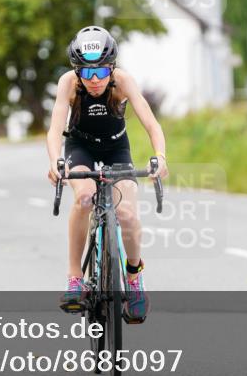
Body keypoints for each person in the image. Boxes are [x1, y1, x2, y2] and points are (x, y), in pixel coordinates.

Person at [46, 26, 169, 324]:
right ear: (77, 72)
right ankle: (75, 278)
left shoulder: (123, 81)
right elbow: (54, 130)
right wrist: (55, 162)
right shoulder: (68, 84)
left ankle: (134, 278)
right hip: (80, 148)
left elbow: (152, 124)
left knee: (126, 214)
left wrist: (160, 158)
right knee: (85, 199)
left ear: (111, 67)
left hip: (117, 150)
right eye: (87, 74)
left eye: (101, 72)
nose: (95, 80)